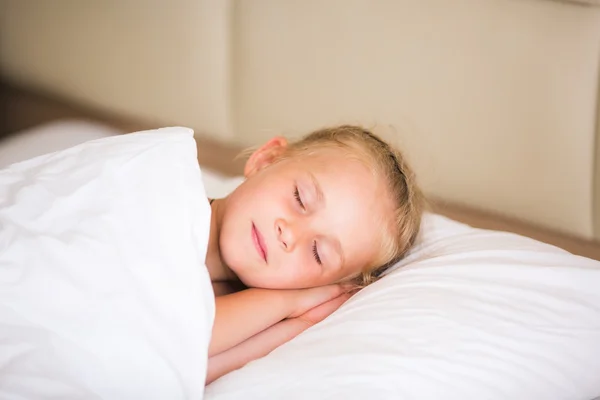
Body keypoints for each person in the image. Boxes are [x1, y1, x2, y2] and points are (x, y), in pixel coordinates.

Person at [204, 125, 424, 384]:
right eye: (300, 198)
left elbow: (186, 362)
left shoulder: (231, 309)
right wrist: (290, 303)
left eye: (318, 253)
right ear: (266, 160)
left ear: (325, 285)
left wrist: (301, 316)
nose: (290, 235)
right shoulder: (161, 196)